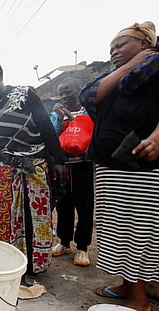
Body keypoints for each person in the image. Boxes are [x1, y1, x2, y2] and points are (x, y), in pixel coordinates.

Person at [79, 21, 159, 311]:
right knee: (116, 228)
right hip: (110, 168)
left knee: (138, 229)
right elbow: (88, 96)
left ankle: (140, 299)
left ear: (144, 45)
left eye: (121, 45)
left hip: (141, 169)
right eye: (111, 48)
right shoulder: (115, 79)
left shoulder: (157, 76)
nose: (114, 52)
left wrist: (155, 141)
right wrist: (128, 66)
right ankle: (128, 285)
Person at [0, 60, 67, 275]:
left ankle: (34, 267)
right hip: (4, 173)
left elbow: (46, 127)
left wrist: (59, 161)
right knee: (7, 220)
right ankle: (13, 265)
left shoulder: (25, 94)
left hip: (34, 168)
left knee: (34, 217)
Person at [49, 78, 94, 267]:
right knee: (64, 205)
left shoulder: (89, 111)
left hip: (83, 166)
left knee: (84, 206)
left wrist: (73, 118)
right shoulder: (56, 114)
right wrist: (60, 117)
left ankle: (82, 247)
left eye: (68, 91)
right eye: (61, 93)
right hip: (63, 165)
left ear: (78, 90)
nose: (64, 96)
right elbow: (51, 134)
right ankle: (65, 242)